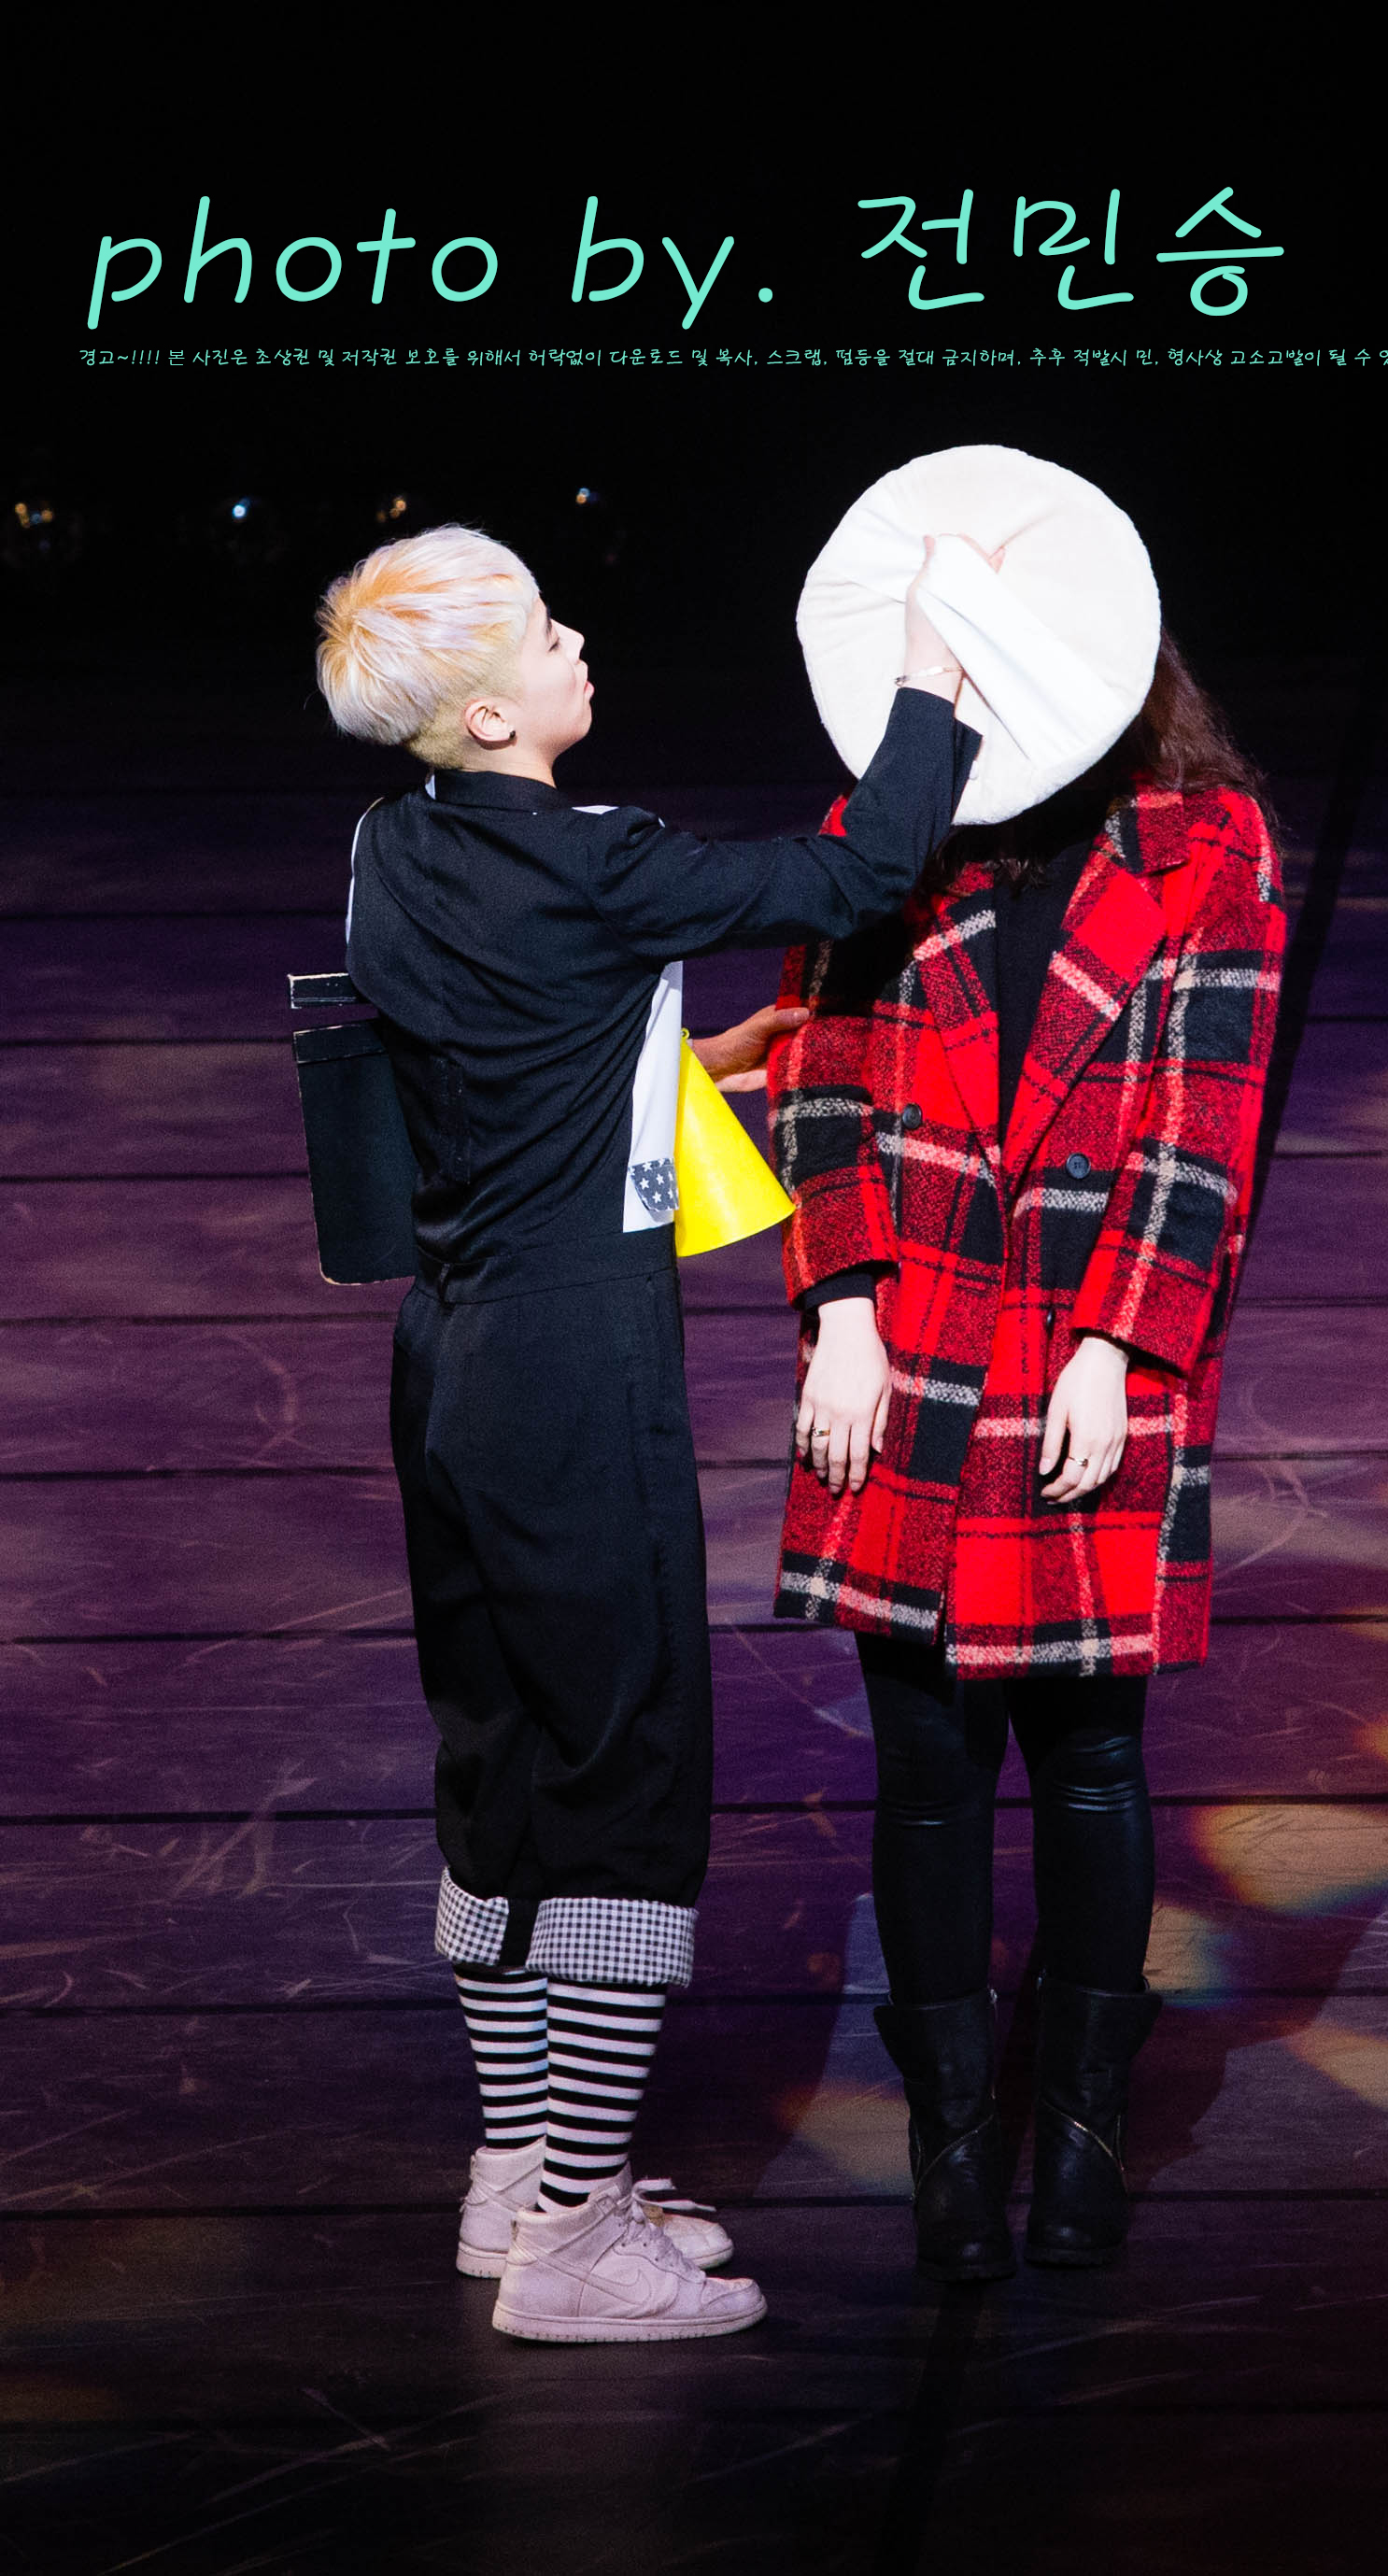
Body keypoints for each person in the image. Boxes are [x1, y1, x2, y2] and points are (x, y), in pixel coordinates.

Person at [314, 522, 981, 2340]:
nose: (575, 641)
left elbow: (523, 1036)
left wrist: (705, 1049)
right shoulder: (602, 861)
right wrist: (927, 680)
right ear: (487, 710)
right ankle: (579, 2231)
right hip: (572, 1365)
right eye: (544, 632)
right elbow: (864, 868)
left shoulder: (388, 852)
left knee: (501, 1763)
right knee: (621, 1777)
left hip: (449, 1357)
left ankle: (516, 2176)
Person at [768, 631, 1285, 2277]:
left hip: (1086, 1338)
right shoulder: (889, 828)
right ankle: (950, 2137)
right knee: (926, 1768)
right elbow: (818, 1067)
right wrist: (839, 1302)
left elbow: (1204, 1123)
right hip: (913, 1344)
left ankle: (1078, 2125)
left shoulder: (1208, 845)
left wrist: (1123, 1347)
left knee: (1091, 1754)